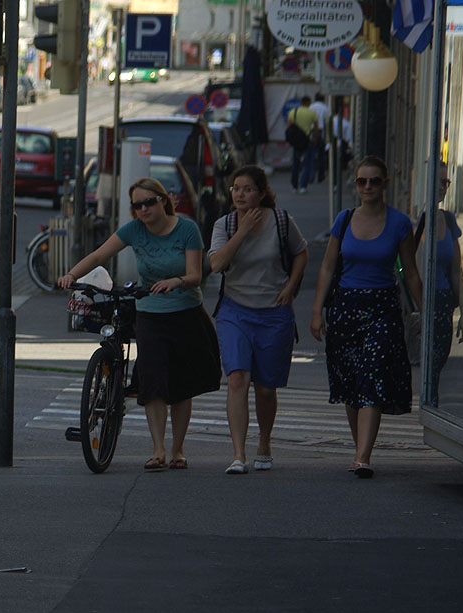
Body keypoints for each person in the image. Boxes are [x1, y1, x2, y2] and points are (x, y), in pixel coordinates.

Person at [58, 177, 221, 471]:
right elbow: (98, 255)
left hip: (185, 311)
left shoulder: (186, 229)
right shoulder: (134, 230)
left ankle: (177, 450)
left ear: (163, 200)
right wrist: (72, 275)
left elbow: (197, 275)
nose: (143, 209)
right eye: (137, 205)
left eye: (149, 202)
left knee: (182, 386)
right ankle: (158, 450)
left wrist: (176, 281)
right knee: (153, 381)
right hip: (149, 313)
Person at [310, 156, 423, 479]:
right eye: (362, 181)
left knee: (372, 376)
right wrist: (317, 311)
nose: (368, 187)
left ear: (385, 183)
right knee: (350, 383)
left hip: (383, 308)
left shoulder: (400, 223)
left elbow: (411, 272)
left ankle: (363, 456)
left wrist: (423, 312)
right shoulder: (344, 220)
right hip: (345, 306)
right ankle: (360, 445)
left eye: (374, 181)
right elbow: (328, 267)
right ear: (356, 184)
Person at [209, 165, 309, 474]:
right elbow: (216, 265)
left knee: (265, 387)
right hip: (235, 309)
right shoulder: (224, 224)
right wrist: (241, 232)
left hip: (273, 311)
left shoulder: (281, 221)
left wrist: (291, 287)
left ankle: (264, 442)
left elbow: (301, 252)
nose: (240, 194)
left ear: (262, 192)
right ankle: (238, 454)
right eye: (235, 188)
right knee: (237, 378)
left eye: (247, 189)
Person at [413, 163, 463, 404]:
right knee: (425, 364)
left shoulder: (448, 220)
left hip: (443, 304)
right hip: (421, 303)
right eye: (438, 182)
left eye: (446, 182)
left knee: (438, 362)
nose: (443, 188)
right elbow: (404, 268)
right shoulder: (415, 220)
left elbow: (456, 270)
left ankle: (430, 405)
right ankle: (428, 406)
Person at [287, 96, 319, 194]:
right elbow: (316, 128)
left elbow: (289, 127)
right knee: (307, 164)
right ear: (309, 102)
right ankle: (303, 186)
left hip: (296, 142)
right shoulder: (312, 113)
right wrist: (315, 139)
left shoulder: (293, 112)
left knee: (295, 164)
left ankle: (294, 186)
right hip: (307, 141)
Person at [310, 93, 331, 182]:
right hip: (322, 131)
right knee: (321, 155)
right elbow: (328, 121)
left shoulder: (311, 107)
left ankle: (311, 176)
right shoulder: (326, 108)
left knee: (312, 154)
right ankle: (320, 176)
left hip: (312, 131)